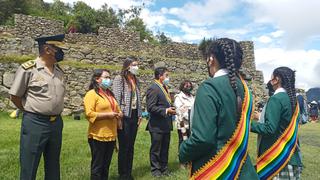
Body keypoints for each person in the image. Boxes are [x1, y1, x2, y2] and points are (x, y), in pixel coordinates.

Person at [179, 38, 258, 179]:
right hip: (243, 169)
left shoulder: (209, 87)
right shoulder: (247, 91)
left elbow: (203, 139)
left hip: (216, 168)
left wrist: (183, 151)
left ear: (211, 59)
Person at [9, 34, 67, 180]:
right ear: (47, 49)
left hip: (56, 123)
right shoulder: (28, 69)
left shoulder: (59, 71)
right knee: (30, 165)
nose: (62, 52)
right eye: (58, 48)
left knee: (53, 165)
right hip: (35, 123)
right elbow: (15, 96)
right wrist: (28, 111)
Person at [251, 67, 303, 179]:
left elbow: (270, 128)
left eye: (271, 77)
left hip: (277, 158)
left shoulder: (276, 99)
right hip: (290, 155)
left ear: (277, 79)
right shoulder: (293, 101)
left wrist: (247, 124)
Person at [83, 69, 123, 180]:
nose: (108, 80)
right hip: (97, 135)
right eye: (106, 77)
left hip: (111, 135)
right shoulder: (91, 94)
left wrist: (119, 114)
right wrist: (108, 115)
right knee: (97, 166)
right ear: (97, 79)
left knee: (106, 166)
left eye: (109, 77)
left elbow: (117, 109)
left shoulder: (110, 94)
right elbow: (89, 114)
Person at [112, 58, 142, 180]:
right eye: (134, 65)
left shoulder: (136, 80)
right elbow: (117, 98)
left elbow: (138, 99)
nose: (136, 67)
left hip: (134, 116)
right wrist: (118, 117)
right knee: (124, 145)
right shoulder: (120, 79)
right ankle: (123, 174)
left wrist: (140, 114)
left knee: (131, 145)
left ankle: (129, 173)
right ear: (127, 66)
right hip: (124, 116)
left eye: (137, 65)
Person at [146, 67, 176, 177]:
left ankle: (164, 168)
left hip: (166, 124)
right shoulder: (154, 88)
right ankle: (155, 170)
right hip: (157, 125)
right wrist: (166, 110)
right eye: (167, 75)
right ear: (160, 76)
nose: (168, 78)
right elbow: (151, 107)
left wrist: (171, 109)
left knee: (165, 148)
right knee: (156, 149)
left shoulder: (164, 88)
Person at [174, 80, 194, 152]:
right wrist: (188, 114)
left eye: (189, 85)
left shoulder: (192, 97)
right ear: (182, 87)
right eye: (186, 85)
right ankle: (182, 158)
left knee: (191, 141)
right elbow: (179, 111)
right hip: (183, 124)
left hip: (191, 124)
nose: (188, 87)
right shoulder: (178, 97)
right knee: (183, 141)